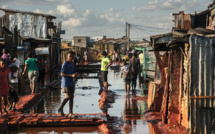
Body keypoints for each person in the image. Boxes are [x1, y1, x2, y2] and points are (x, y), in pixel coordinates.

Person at [58, 51, 78, 117]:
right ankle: (60, 108)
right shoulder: (65, 63)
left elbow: (74, 70)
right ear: (67, 56)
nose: (71, 58)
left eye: (72, 56)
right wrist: (71, 75)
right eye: (70, 56)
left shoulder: (72, 63)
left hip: (71, 82)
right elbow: (62, 74)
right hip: (66, 82)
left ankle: (70, 112)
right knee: (68, 97)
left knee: (72, 97)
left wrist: (75, 74)